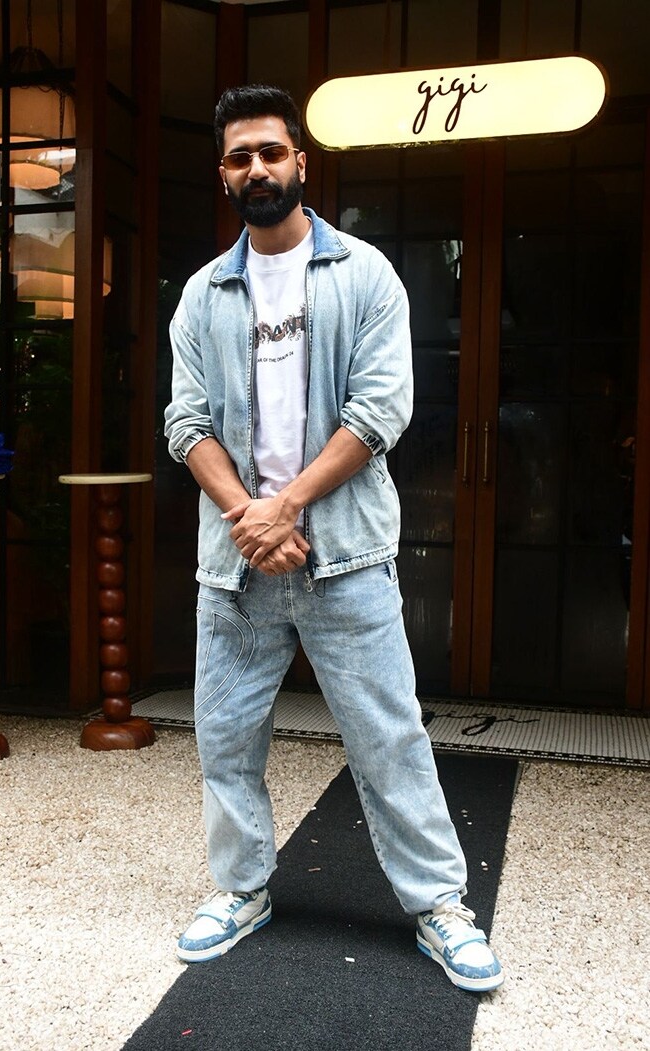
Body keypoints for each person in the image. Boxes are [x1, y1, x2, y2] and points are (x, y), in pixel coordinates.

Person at [164, 83, 503, 993]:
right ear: (224, 174)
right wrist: (252, 517)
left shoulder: (363, 274)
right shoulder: (203, 295)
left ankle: (439, 905)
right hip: (236, 566)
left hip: (345, 554)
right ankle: (242, 890)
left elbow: (381, 407)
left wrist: (289, 507)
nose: (257, 169)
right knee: (225, 741)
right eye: (239, 157)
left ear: (300, 162)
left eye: (271, 152)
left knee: (388, 737)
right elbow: (185, 423)